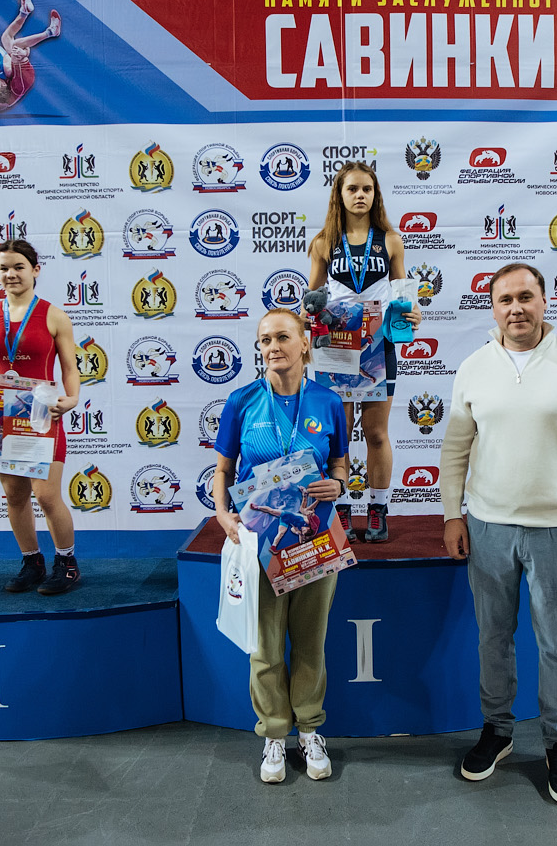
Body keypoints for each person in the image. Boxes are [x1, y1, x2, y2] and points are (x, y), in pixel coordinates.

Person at [440, 263, 557, 806]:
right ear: (493, 308)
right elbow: (454, 448)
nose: (516, 308)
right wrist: (452, 514)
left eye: (525, 297)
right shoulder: (474, 367)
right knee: (493, 638)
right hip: (488, 526)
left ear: (545, 301)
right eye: (505, 300)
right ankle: (497, 730)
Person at [213, 309, 350, 784]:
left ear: (305, 343)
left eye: (283, 337)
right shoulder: (242, 400)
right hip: (260, 543)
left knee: (311, 641)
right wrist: (221, 512)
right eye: (265, 339)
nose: (273, 346)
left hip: (316, 539)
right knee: (266, 646)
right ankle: (274, 732)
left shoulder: (328, 401)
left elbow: (340, 462)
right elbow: (223, 470)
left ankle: (309, 728)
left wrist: (338, 483)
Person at [0, 239, 82, 595]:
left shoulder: (54, 316)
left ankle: (67, 563)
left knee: (47, 496)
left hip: (40, 411)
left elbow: (70, 368)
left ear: (35, 270)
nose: (11, 274)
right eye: (4, 268)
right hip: (1, 413)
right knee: (15, 496)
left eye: (19, 267)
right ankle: (31, 562)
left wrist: (72, 399)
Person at [306, 161, 420, 543]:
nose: (360, 195)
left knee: (375, 432)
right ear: (339, 195)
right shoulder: (323, 242)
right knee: (338, 434)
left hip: (377, 344)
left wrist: (412, 312)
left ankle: (377, 509)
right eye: (352, 189)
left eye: (366, 189)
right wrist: (307, 316)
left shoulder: (390, 240)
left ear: (375, 194)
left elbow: (403, 293)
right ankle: (339, 508)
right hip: (336, 344)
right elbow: (312, 297)